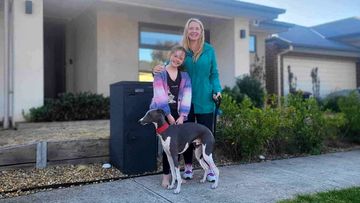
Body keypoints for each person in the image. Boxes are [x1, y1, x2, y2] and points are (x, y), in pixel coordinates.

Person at [153, 18, 222, 182]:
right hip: (184, 102)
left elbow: (214, 74)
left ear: (201, 31)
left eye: (197, 28)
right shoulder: (182, 50)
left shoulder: (209, 50)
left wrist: (217, 90)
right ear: (187, 30)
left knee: (205, 136)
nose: (194, 31)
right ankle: (189, 167)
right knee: (187, 134)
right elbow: (170, 65)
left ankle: (210, 170)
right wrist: (156, 69)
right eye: (191, 28)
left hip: (205, 98)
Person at [150, 45, 192, 188]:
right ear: (170, 55)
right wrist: (168, 115)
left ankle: (176, 176)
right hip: (163, 114)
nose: (177, 59)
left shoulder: (185, 76)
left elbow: (187, 95)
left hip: (178, 115)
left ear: (183, 60)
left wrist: (182, 116)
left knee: (177, 146)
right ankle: (166, 178)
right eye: (175, 56)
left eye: (181, 58)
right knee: (167, 148)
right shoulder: (160, 73)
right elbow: (159, 95)